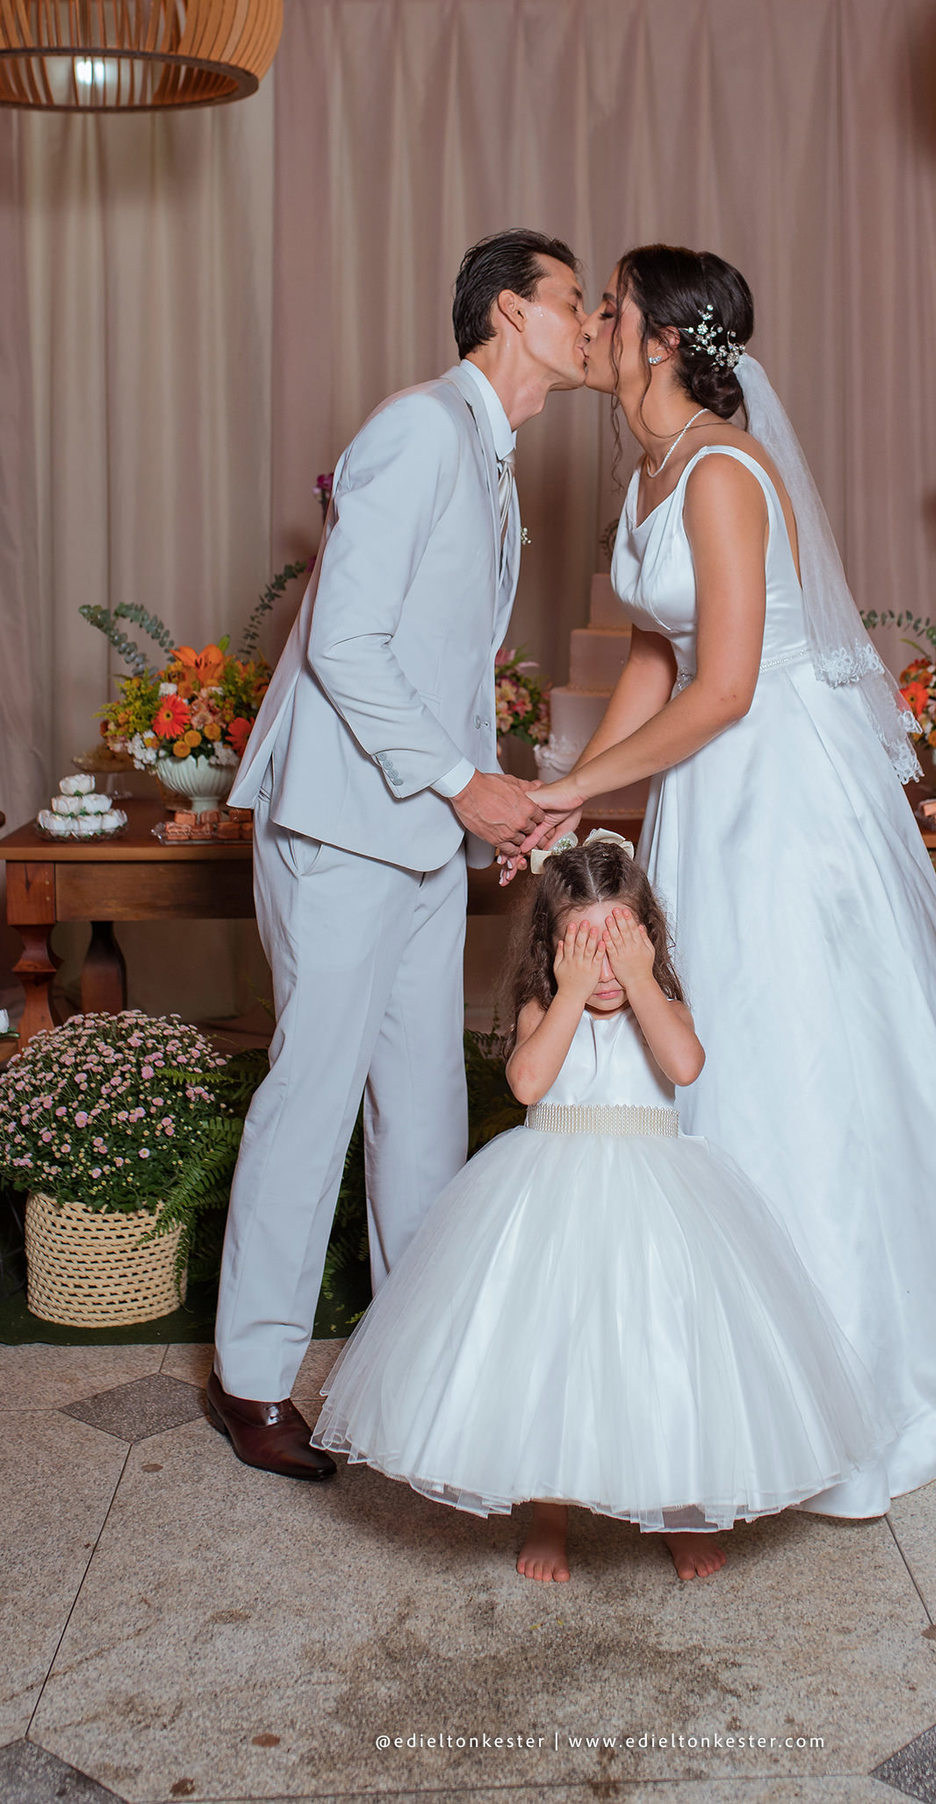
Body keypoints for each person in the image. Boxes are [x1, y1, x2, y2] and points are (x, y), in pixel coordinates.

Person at [523, 244, 936, 1516]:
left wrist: (588, 788)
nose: (599, 323)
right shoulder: (650, 472)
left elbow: (727, 685)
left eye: (615, 307)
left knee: (791, 1050)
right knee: (710, 1048)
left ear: (663, 341)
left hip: (777, 789)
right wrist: (577, 792)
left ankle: (858, 1391)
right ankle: (726, 1381)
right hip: (702, 791)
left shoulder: (725, 471)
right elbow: (655, 656)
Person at [206, 229, 589, 1481]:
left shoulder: (491, 456)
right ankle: (251, 1380)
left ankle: (417, 1368)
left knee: (421, 1106)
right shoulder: (420, 428)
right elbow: (345, 644)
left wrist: (489, 806)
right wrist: (461, 784)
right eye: (572, 299)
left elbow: (444, 667)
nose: (590, 320)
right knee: (313, 1095)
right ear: (508, 314)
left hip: (418, 833)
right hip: (336, 825)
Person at [312, 832, 891, 1580]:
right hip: (549, 1202)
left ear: (647, 939)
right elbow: (528, 1084)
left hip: (658, 1206)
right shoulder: (543, 1007)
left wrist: (644, 982)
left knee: (668, 1355)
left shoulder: (663, 1005)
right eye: (585, 948)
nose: (604, 968)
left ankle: (679, 1508)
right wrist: (570, 992)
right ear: (551, 947)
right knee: (548, 1359)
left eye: (619, 946)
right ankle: (549, 1512)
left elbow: (684, 1065)